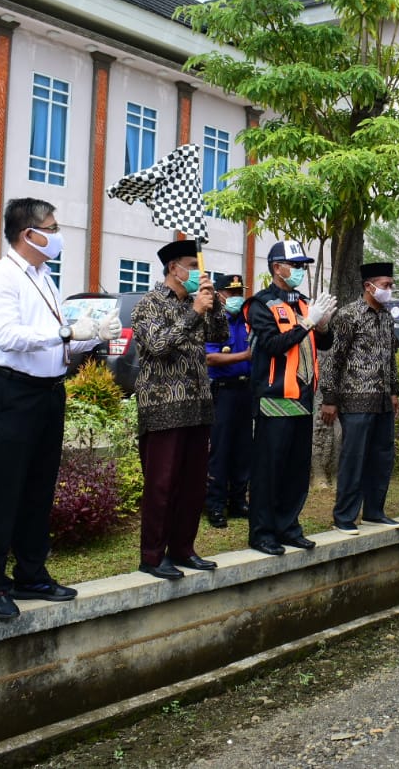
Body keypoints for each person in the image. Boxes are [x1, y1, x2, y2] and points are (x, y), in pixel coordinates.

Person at [0, 198, 120, 620]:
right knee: (5, 489)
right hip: (14, 394)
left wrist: (91, 335)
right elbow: (6, 336)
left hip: (49, 392)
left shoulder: (44, 277)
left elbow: (60, 339)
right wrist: (65, 330)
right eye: (52, 228)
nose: (57, 236)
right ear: (29, 234)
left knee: (39, 487)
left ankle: (31, 573)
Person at [132, 240, 228, 580]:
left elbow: (220, 335)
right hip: (162, 407)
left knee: (192, 485)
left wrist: (212, 305)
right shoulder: (149, 303)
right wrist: (195, 313)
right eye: (192, 265)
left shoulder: (197, 302)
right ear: (174, 268)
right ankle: (153, 556)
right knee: (161, 484)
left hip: (198, 404)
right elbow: (158, 346)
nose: (198, 273)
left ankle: (183, 549)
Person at [244, 240, 337, 556]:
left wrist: (322, 326)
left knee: (297, 470)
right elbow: (273, 344)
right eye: (294, 265)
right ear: (276, 268)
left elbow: (320, 345)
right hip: (274, 398)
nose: (299, 270)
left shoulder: (304, 304)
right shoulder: (261, 304)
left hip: (303, 398)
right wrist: (309, 322)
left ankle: (288, 526)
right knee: (270, 469)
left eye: (302, 265)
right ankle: (262, 532)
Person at [319, 261, 399, 534]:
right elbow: (333, 360)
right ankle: (344, 517)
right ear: (369, 286)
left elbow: (390, 358)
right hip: (354, 399)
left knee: (382, 457)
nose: (390, 289)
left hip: (382, 401)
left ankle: (375, 512)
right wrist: (329, 399)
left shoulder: (387, 316)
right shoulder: (348, 315)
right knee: (353, 459)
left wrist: (394, 392)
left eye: (391, 285)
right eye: (386, 285)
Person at [204, 272, 253, 529]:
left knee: (243, 449)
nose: (236, 297)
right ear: (220, 295)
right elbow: (209, 358)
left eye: (239, 293)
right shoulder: (213, 320)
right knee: (220, 451)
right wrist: (246, 355)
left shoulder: (246, 320)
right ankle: (215, 504)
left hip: (246, 391)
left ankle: (238, 501)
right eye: (231, 293)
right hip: (222, 392)